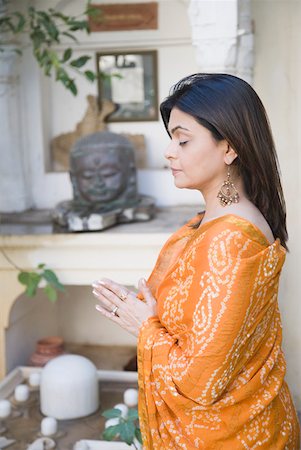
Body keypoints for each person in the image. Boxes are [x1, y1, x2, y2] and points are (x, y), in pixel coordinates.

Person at [92, 73, 300, 449]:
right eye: (172, 138)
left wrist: (145, 327)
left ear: (230, 148)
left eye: (183, 140)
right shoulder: (217, 222)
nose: (170, 151)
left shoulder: (231, 240)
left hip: (230, 436)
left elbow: (200, 380)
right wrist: (148, 316)